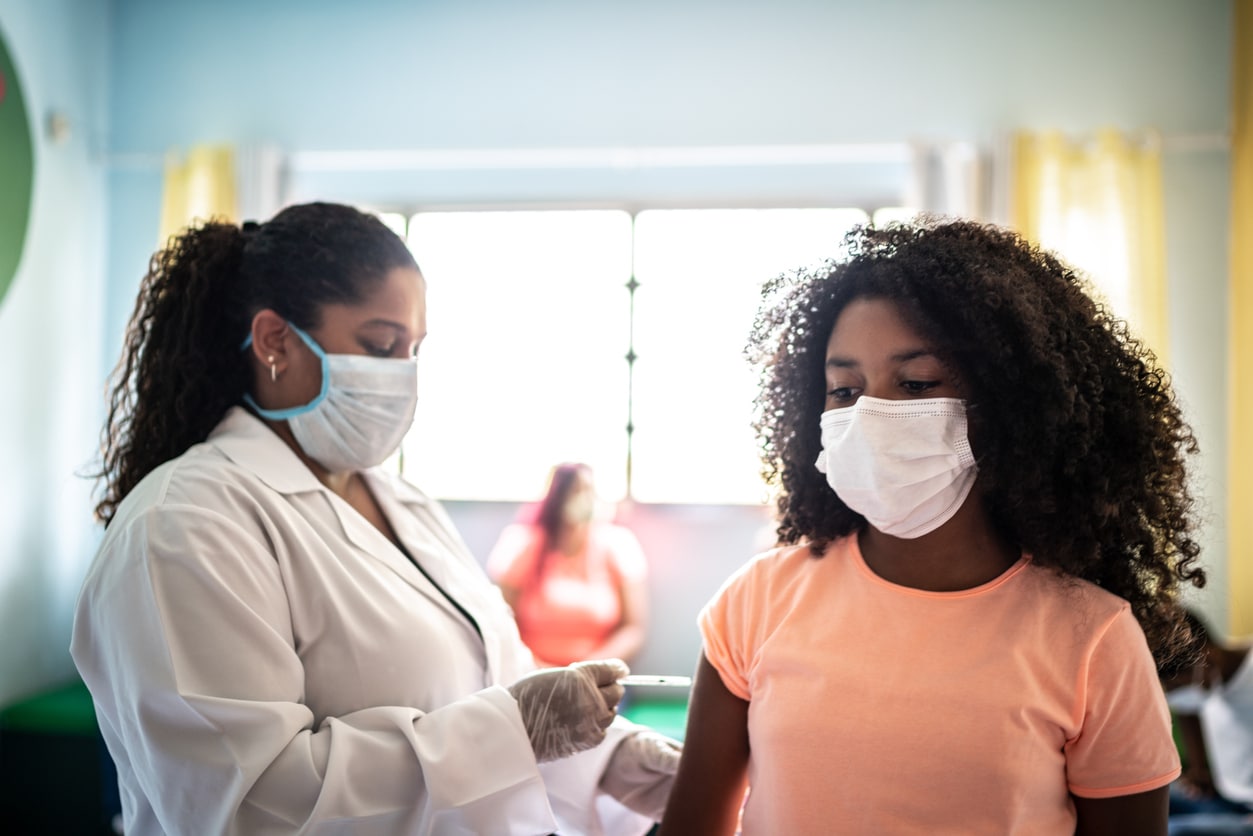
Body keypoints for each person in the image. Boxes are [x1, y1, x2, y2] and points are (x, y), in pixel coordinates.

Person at [70, 202, 679, 835]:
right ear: (275, 340)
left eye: (414, 349)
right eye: (381, 345)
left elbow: (490, 684)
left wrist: (611, 762)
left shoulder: (402, 503)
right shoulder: (186, 525)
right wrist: (514, 729)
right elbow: (250, 806)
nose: (404, 376)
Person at [657, 218, 1207, 836]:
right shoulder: (756, 600)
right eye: (844, 389)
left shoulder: (1093, 637)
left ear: (1005, 403)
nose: (871, 415)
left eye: (916, 384)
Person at [487, 463, 649, 668]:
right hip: (531, 672)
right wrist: (538, 669)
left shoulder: (618, 546)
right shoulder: (523, 545)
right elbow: (502, 624)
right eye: (577, 491)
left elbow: (633, 629)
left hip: (596, 677)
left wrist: (587, 670)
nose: (586, 499)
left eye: (591, 491)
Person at [1160, 609, 1253, 835]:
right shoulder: (1206, 678)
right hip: (1224, 795)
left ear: (1208, 659)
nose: (1176, 698)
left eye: (1178, 689)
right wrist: (1199, 769)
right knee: (1142, 799)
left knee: (1175, 832)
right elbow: (1187, 709)